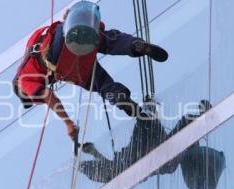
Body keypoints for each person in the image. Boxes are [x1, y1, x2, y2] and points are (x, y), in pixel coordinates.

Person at [13, 2, 168, 141]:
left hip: (60, 59)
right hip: (68, 33)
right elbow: (55, 29)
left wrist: (68, 123)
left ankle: (118, 97)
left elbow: (48, 96)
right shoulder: (32, 42)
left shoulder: (22, 81)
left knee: (100, 84)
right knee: (108, 40)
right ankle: (135, 45)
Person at [79, 100, 226, 189]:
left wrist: (93, 152)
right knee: (160, 133)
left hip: (149, 145)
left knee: (158, 131)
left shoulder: (122, 171)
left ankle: (151, 113)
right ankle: (203, 121)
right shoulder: (123, 172)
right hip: (149, 145)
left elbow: (108, 168)